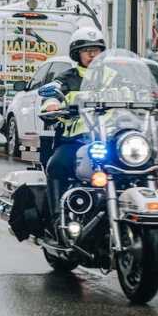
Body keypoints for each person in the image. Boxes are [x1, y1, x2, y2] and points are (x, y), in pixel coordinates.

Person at [42, 27, 106, 227]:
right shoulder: (67, 78)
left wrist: (155, 101)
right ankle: (57, 218)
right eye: (87, 50)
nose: (93, 54)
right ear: (77, 53)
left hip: (110, 137)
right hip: (76, 141)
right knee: (57, 166)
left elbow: (134, 91)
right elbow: (52, 95)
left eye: (97, 49)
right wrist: (51, 105)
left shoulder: (113, 76)